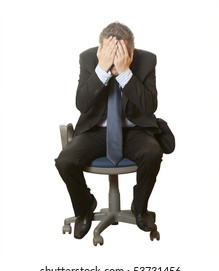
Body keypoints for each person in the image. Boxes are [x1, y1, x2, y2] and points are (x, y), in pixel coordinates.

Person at [55, 22, 163, 239]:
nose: (113, 57)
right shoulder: (88, 59)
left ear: (130, 52)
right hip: (96, 130)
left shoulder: (146, 60)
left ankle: (140, 209)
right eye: (108, 52)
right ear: (99, 50)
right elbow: (82, 104)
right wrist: (101, 71)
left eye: (120, 52)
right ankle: (85, 208)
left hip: (134, 131)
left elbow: (149, 107)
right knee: (65, 161)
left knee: (152, 153)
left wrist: (125, 73)